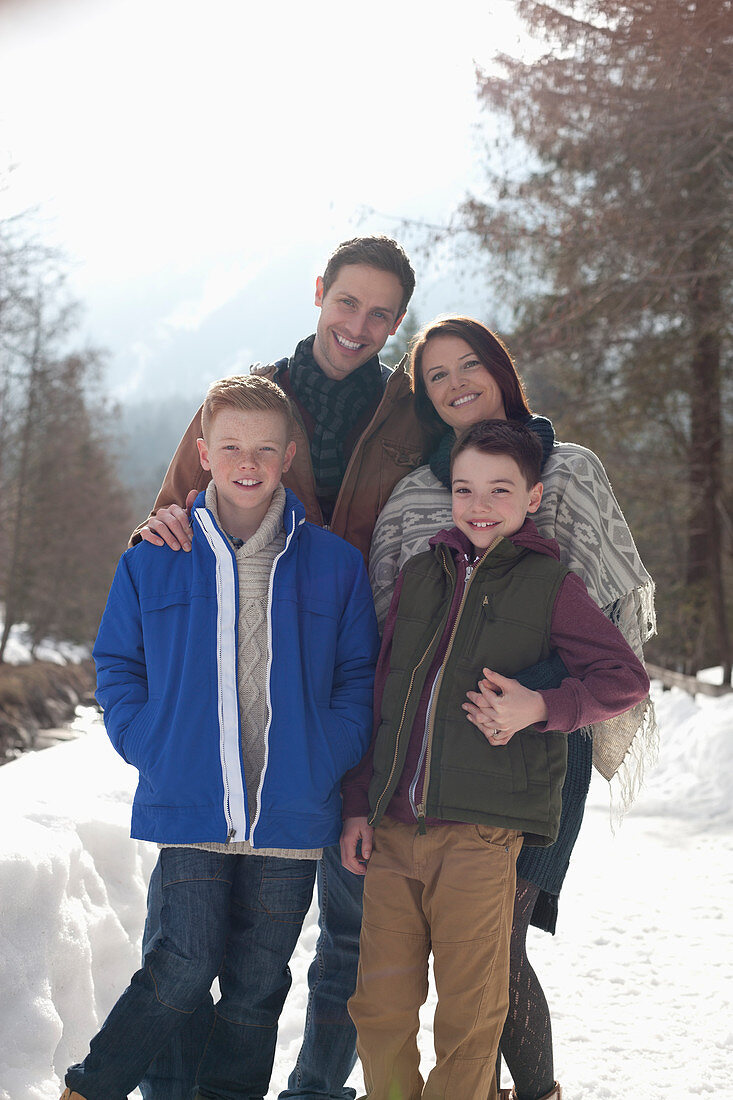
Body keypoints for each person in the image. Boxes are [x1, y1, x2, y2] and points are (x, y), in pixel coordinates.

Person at [129, 236, 429, 1100]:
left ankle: (309, 1089)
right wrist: (154, 727)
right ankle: (176, 1090)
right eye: (347, 303)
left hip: (355, 689)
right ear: (318, 294)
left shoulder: (408, 422)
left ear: (397, 322)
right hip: (240, 699)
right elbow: (169, 523)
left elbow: (487, 478)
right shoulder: (246, 399)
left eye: (380, 314)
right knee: (187, 931)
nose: (358, 325)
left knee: (348, 925)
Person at [60, 375, 380, 1100]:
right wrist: (147, 740)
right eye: (231, 445)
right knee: (181, 961)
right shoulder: (154, 555)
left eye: (265, 448)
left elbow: (358, 674)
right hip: (191, 802)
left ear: (288, 456)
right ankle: (92, 1086)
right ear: (203, 453)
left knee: (258, 982)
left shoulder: (333, 564)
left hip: (292, 812)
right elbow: (116, 660)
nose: (247, 461)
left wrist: (331, 750)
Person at [366, 316, 657, 1100]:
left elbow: (614, 626)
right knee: (446, 964)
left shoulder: (570, 471)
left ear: (499, 370)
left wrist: (542, 701)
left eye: (470, 365)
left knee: (495, 947)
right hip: (429, 764)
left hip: (537, 744)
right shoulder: (414, 497)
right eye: (436, 376)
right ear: (424, 397)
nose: (456, 382)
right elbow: (392, 641)